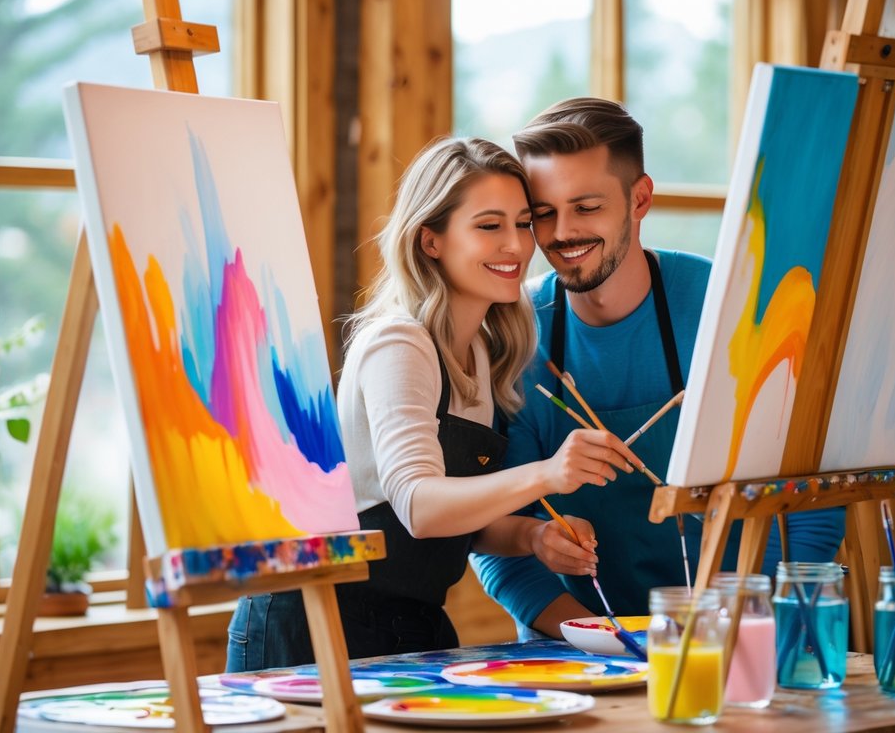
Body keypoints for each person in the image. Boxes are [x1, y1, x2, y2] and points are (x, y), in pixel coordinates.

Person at [225, 137, 635, 670]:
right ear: (431, 241)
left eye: (522, 223)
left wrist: (534, 536)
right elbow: (418, 506)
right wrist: (548, 474)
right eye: (489, 226)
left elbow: (461, 522)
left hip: (409, 620)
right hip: (311, 625)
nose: (515, 246)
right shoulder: (400, 342)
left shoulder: (483, 354)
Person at [472, 98, 846, 637]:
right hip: (576, 652)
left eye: (587, 206)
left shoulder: (730, 308)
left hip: (740, 636)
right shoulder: (512, 335)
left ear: (639, 198)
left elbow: (814, 499)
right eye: (544, 213)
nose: (561, 234)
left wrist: (740, 627)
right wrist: (606, 641)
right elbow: (495, 537)